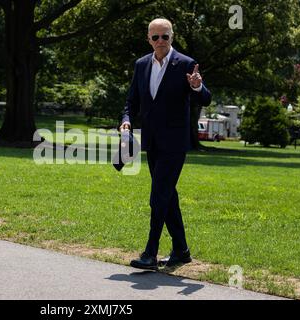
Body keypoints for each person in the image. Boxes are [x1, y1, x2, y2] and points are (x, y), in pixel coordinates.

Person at [120, 18, 212, 270]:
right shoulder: (141, 65)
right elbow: (131, 101)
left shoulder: (186, 64)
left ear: (172, 37)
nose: (160, 42)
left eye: (165, 37)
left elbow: (205, 98)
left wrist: (197, 86)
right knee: (167, 196)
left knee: (158, 196)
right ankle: (181, 251)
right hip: (152, 141)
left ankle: (150, 253)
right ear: (148, 39)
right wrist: (126, 122)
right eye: (155, 37)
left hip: (175, 142)